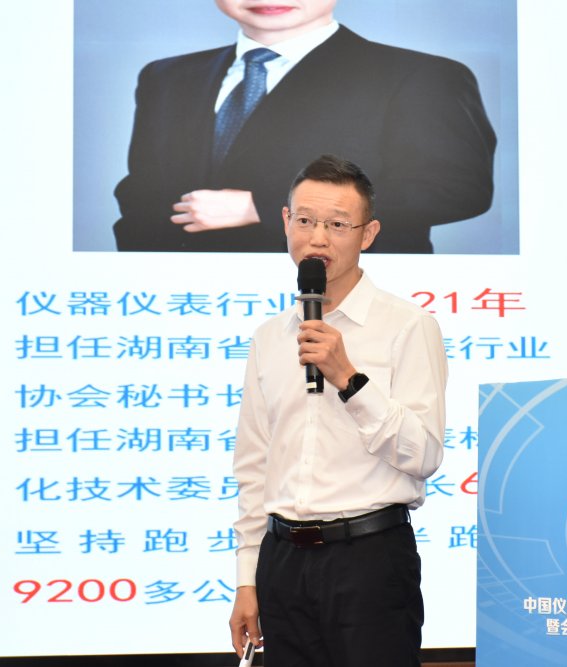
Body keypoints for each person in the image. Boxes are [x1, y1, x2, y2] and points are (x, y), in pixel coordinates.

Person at [228, 155, 448, 666]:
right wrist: (247, 579)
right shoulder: (269, 337)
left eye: (337, 225)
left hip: (368, 561)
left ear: (368, 234)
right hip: (282, 562)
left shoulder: (408, 326)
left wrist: (348, 377)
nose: (318, 238)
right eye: (305, 220)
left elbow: (423, 455)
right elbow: (254, 466)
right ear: (286, 222)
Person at [113, 0, 496, 253]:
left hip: (348, 302)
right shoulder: (166, 77)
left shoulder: (421, 76)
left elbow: (456, 191)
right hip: (185, 302)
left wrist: (265, 206)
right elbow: (142, 190)